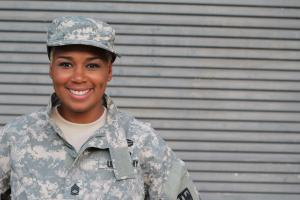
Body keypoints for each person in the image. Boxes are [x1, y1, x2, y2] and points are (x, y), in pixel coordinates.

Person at [0, 16, 200, 200]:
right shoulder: (15, 137)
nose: (78, 77)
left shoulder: (142, 141)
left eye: (92, 66)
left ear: (109, 72)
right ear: (51, 69)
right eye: (66, 65)